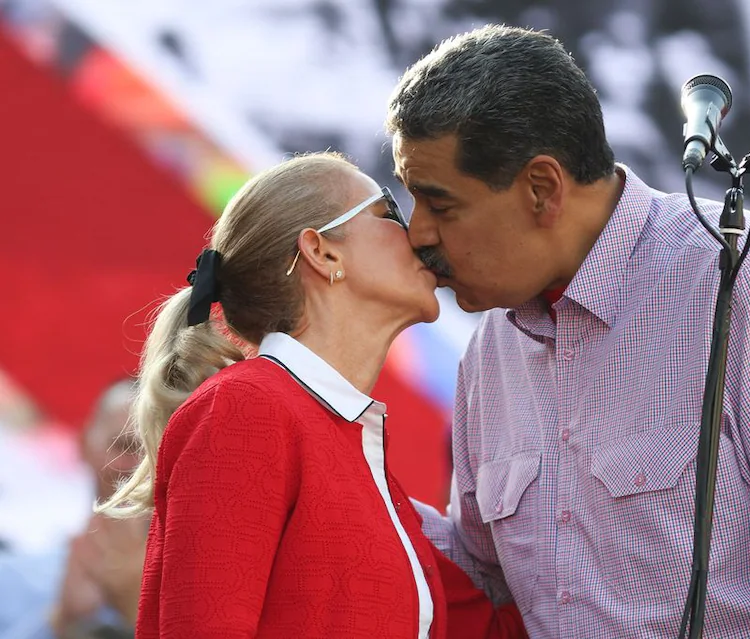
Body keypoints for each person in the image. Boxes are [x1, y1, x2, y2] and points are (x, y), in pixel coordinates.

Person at [386, 24, 750, 638]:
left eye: (440, 205)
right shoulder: (492, 350)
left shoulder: (743, 278)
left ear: (542, 189)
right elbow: (482, 586)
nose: (418, 233)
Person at [96, 152, 526, 639]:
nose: (421, 235)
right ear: (322, 253)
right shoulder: (244, 407)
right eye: (388, 212)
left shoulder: (357, 457)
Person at [0, 378, 142, 639]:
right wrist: (62, 621)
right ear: (85, 444)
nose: (143, 467)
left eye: (161, 449)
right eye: (126, 446)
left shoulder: (208, 580)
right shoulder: (14, 579)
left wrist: (138, 612)